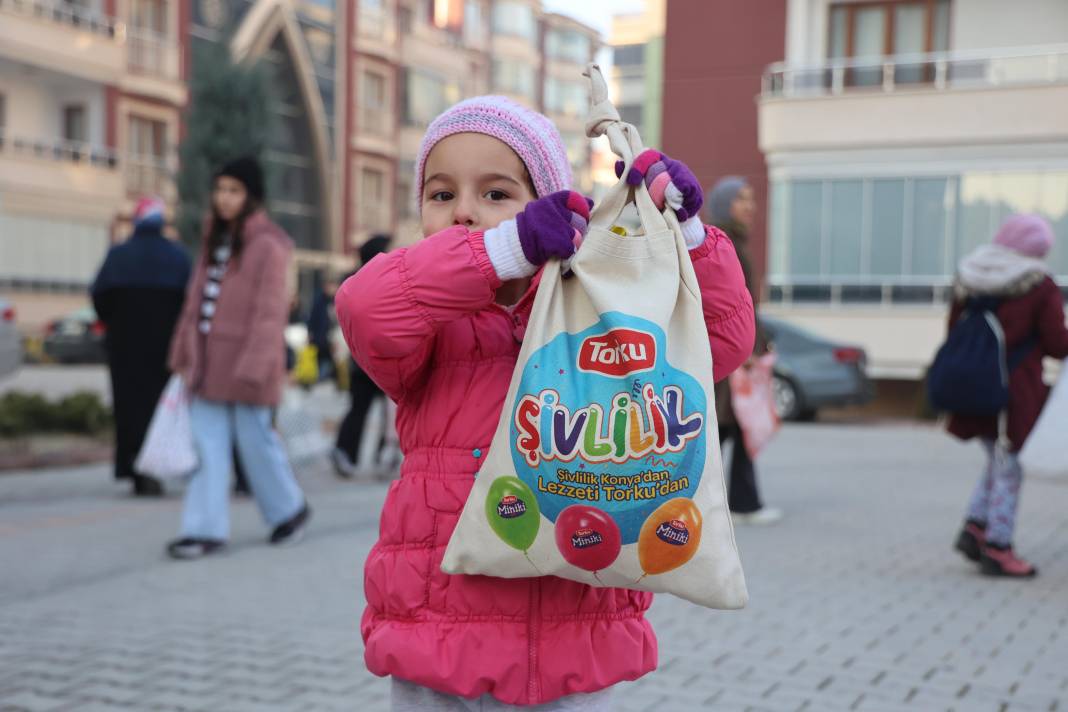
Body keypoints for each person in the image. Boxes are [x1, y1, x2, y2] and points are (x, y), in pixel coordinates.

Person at [335, 96, 755, 708]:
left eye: (497, 194)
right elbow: (366, 308)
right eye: (442, 194)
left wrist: (689, 235)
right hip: (443, 640)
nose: (466, 213)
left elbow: (719, 339)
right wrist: (502, 250)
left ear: (553, 204)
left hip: (575, 637)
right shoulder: (431, 325)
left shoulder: (595, 312)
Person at [165, 156, 311, 560]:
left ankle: (289, 511)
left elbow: (270, 312)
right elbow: (193, 305)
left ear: (251, 195)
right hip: (206, 365)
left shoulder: (271, 243)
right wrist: (181, 351)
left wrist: (255, 366)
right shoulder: (213, 239)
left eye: (234, 190)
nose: (224, 198)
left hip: (247, 366)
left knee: (257, 443)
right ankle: (204, 529)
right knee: (206, 450)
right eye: (220, 189)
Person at [949, 214, 1068, 578]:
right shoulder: (1038, 284)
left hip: (972, 385)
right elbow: (1056, 343)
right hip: (1015, 390)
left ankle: (975, 528)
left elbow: (953, 330)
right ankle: (998, 547)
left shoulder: (968, 276)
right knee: (1010, 468)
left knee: (995, 460)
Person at [91, 197, 191, 497]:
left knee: (129, 408)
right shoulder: (178, 257)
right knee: (158, 408)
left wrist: (117, 323)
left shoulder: (118, 256)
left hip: (124, 348)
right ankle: (154, 466)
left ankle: (133, 466)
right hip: (164, 348)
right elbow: (190, 304)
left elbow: (99, 296)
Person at [708, 176, 783, 525]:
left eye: (751, 198)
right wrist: (749, 348)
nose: (750, 206)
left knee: (730, 430)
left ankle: (738, 502)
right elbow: (735, 304)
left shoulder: (732, 242)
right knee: (726, 429)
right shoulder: (726, 245)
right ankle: (739, 504)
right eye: (742, 199)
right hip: (731, 359)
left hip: (733, 357)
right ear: (725, 205)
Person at [332, 235, 391, 479]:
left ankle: (348, 451)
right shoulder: (381, 279)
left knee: (362, 409)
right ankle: (380, 456)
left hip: (363, 358)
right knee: (383, 411)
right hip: (379, 356)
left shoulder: (353, 280)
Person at [306, 274, 339, 383]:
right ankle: (321, 379)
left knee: (330, 361)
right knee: (320, 360)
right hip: (320, 337)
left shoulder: (337, 300)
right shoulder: (319, 300)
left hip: (333, 339)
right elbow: (312, 318)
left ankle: (326, 378)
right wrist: (310, 334)